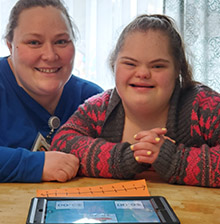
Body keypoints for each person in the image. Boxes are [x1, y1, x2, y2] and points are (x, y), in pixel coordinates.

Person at [51, 14, 220, 188]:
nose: (143, 73)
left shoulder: (203, 105)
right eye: (130, 64)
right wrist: (123, 158)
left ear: (177, 69)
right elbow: (62, 143)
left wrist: (172, 159)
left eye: (158, 66)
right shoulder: (100, 107)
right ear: (114, 65)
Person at [0, 0, 103, 183]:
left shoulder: (93, 99)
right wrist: (35, 165)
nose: (50, 55)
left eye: (61, 42)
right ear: (10, 45)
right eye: (34, 42)